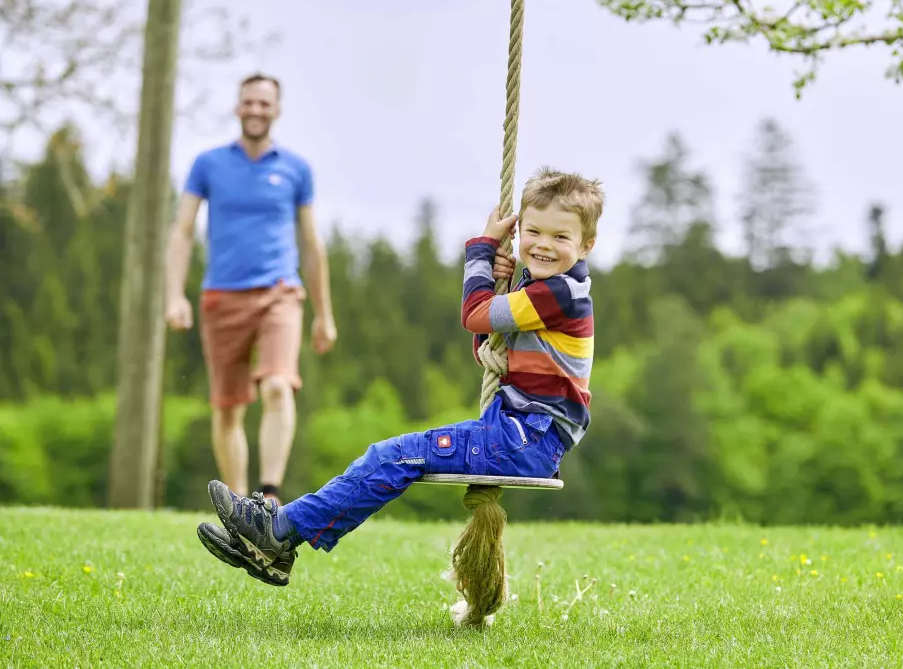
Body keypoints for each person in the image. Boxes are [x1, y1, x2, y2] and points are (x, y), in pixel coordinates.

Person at [197, 167, 603, 587]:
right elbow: (486, 346)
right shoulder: (545, 289)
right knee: (391, 458)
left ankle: (278, 533)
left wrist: (481, 252)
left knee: (390, 457)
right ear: (520, 231)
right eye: (534, 232)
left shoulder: (558, 293)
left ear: (587, 244)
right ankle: (277, 542)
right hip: (517, 432)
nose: (543, 246)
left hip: (525, 436)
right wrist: (499, 279)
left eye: (560, 237)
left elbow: (474, 316)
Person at [165, 72, 336, 509]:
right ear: (237, 107)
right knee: (227, 408)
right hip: (221, 296)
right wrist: (174, 295)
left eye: (265, 103)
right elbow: (182, 231)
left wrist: (324, 313)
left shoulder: (296, 169)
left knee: (278, 386)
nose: (256, 110)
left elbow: (312, 244)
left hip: (279, 292)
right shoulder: (208, 164)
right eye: (249, 102)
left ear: (276, 109)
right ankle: (239, 507)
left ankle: (271, 494)